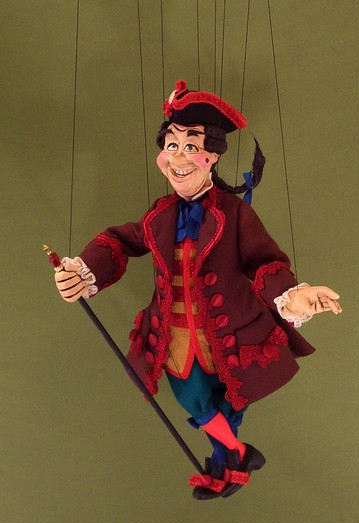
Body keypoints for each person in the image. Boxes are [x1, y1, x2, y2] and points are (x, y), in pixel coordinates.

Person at [54, 80, 342, 500]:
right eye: (171, 146)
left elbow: (266, 264)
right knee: (193, 399)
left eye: (190, 147)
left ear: (212, 157)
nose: (177, 158)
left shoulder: (234, 213)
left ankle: (225, 468)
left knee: (228, 403)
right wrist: (82, 271)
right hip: (174, 338)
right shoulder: (160, 214)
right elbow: (120, 241)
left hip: (230, 337)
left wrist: (295, 296)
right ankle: (238, 455)